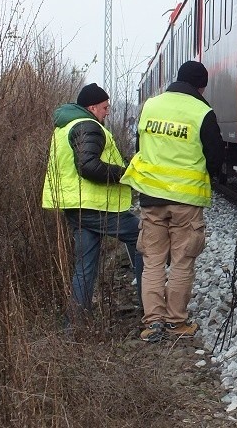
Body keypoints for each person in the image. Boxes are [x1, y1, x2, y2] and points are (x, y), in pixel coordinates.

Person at [121, 60, 224, 343]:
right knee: (182, 261)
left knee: (152, 261)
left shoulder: (150, 107)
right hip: (186, 201)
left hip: (151, 198)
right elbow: (216, 158)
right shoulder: (203, 112)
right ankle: (175, 322)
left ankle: (152, 323)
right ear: (200, 86)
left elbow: (140, 147)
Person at [42, 82, 143, 322]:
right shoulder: (88, 126)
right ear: (92, 107)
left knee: (85, 266)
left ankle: (75, 325)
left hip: (75, 205)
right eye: (105, 107)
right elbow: (88, 166)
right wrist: (125, 173)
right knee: (142, 237)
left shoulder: (65, 126)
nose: (108, 111)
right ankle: (150, 307)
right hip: (93, 206)